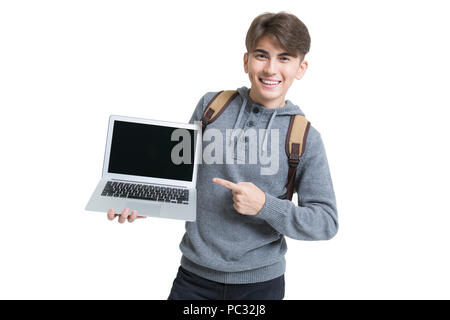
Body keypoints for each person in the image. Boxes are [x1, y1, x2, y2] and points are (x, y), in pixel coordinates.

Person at [107, 11, 338, 300]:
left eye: (284, 58)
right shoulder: (211, 107)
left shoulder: (303, 137)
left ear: (301, 68)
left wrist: (266, 205)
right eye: (261, 55)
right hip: (194, 280)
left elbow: (325, 221)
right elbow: (180, 178)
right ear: (246, 61)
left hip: (261, 287)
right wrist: (143, 202)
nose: (270, 69)